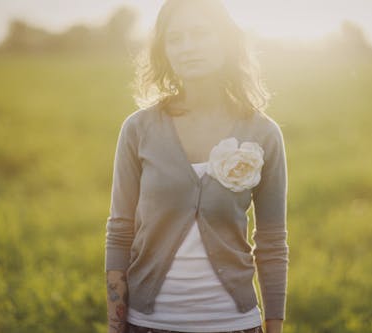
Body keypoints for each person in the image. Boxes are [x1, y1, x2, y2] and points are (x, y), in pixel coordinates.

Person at [104, 1, 289, 332]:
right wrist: (116, 327)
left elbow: (272, 243)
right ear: (165, 51)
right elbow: (120, 232)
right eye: (175, 39)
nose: (188, 47)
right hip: (146, 324)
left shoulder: (263, 133)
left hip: (235, 324)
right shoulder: (138, 129)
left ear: (226, 41)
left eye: (200, 34)